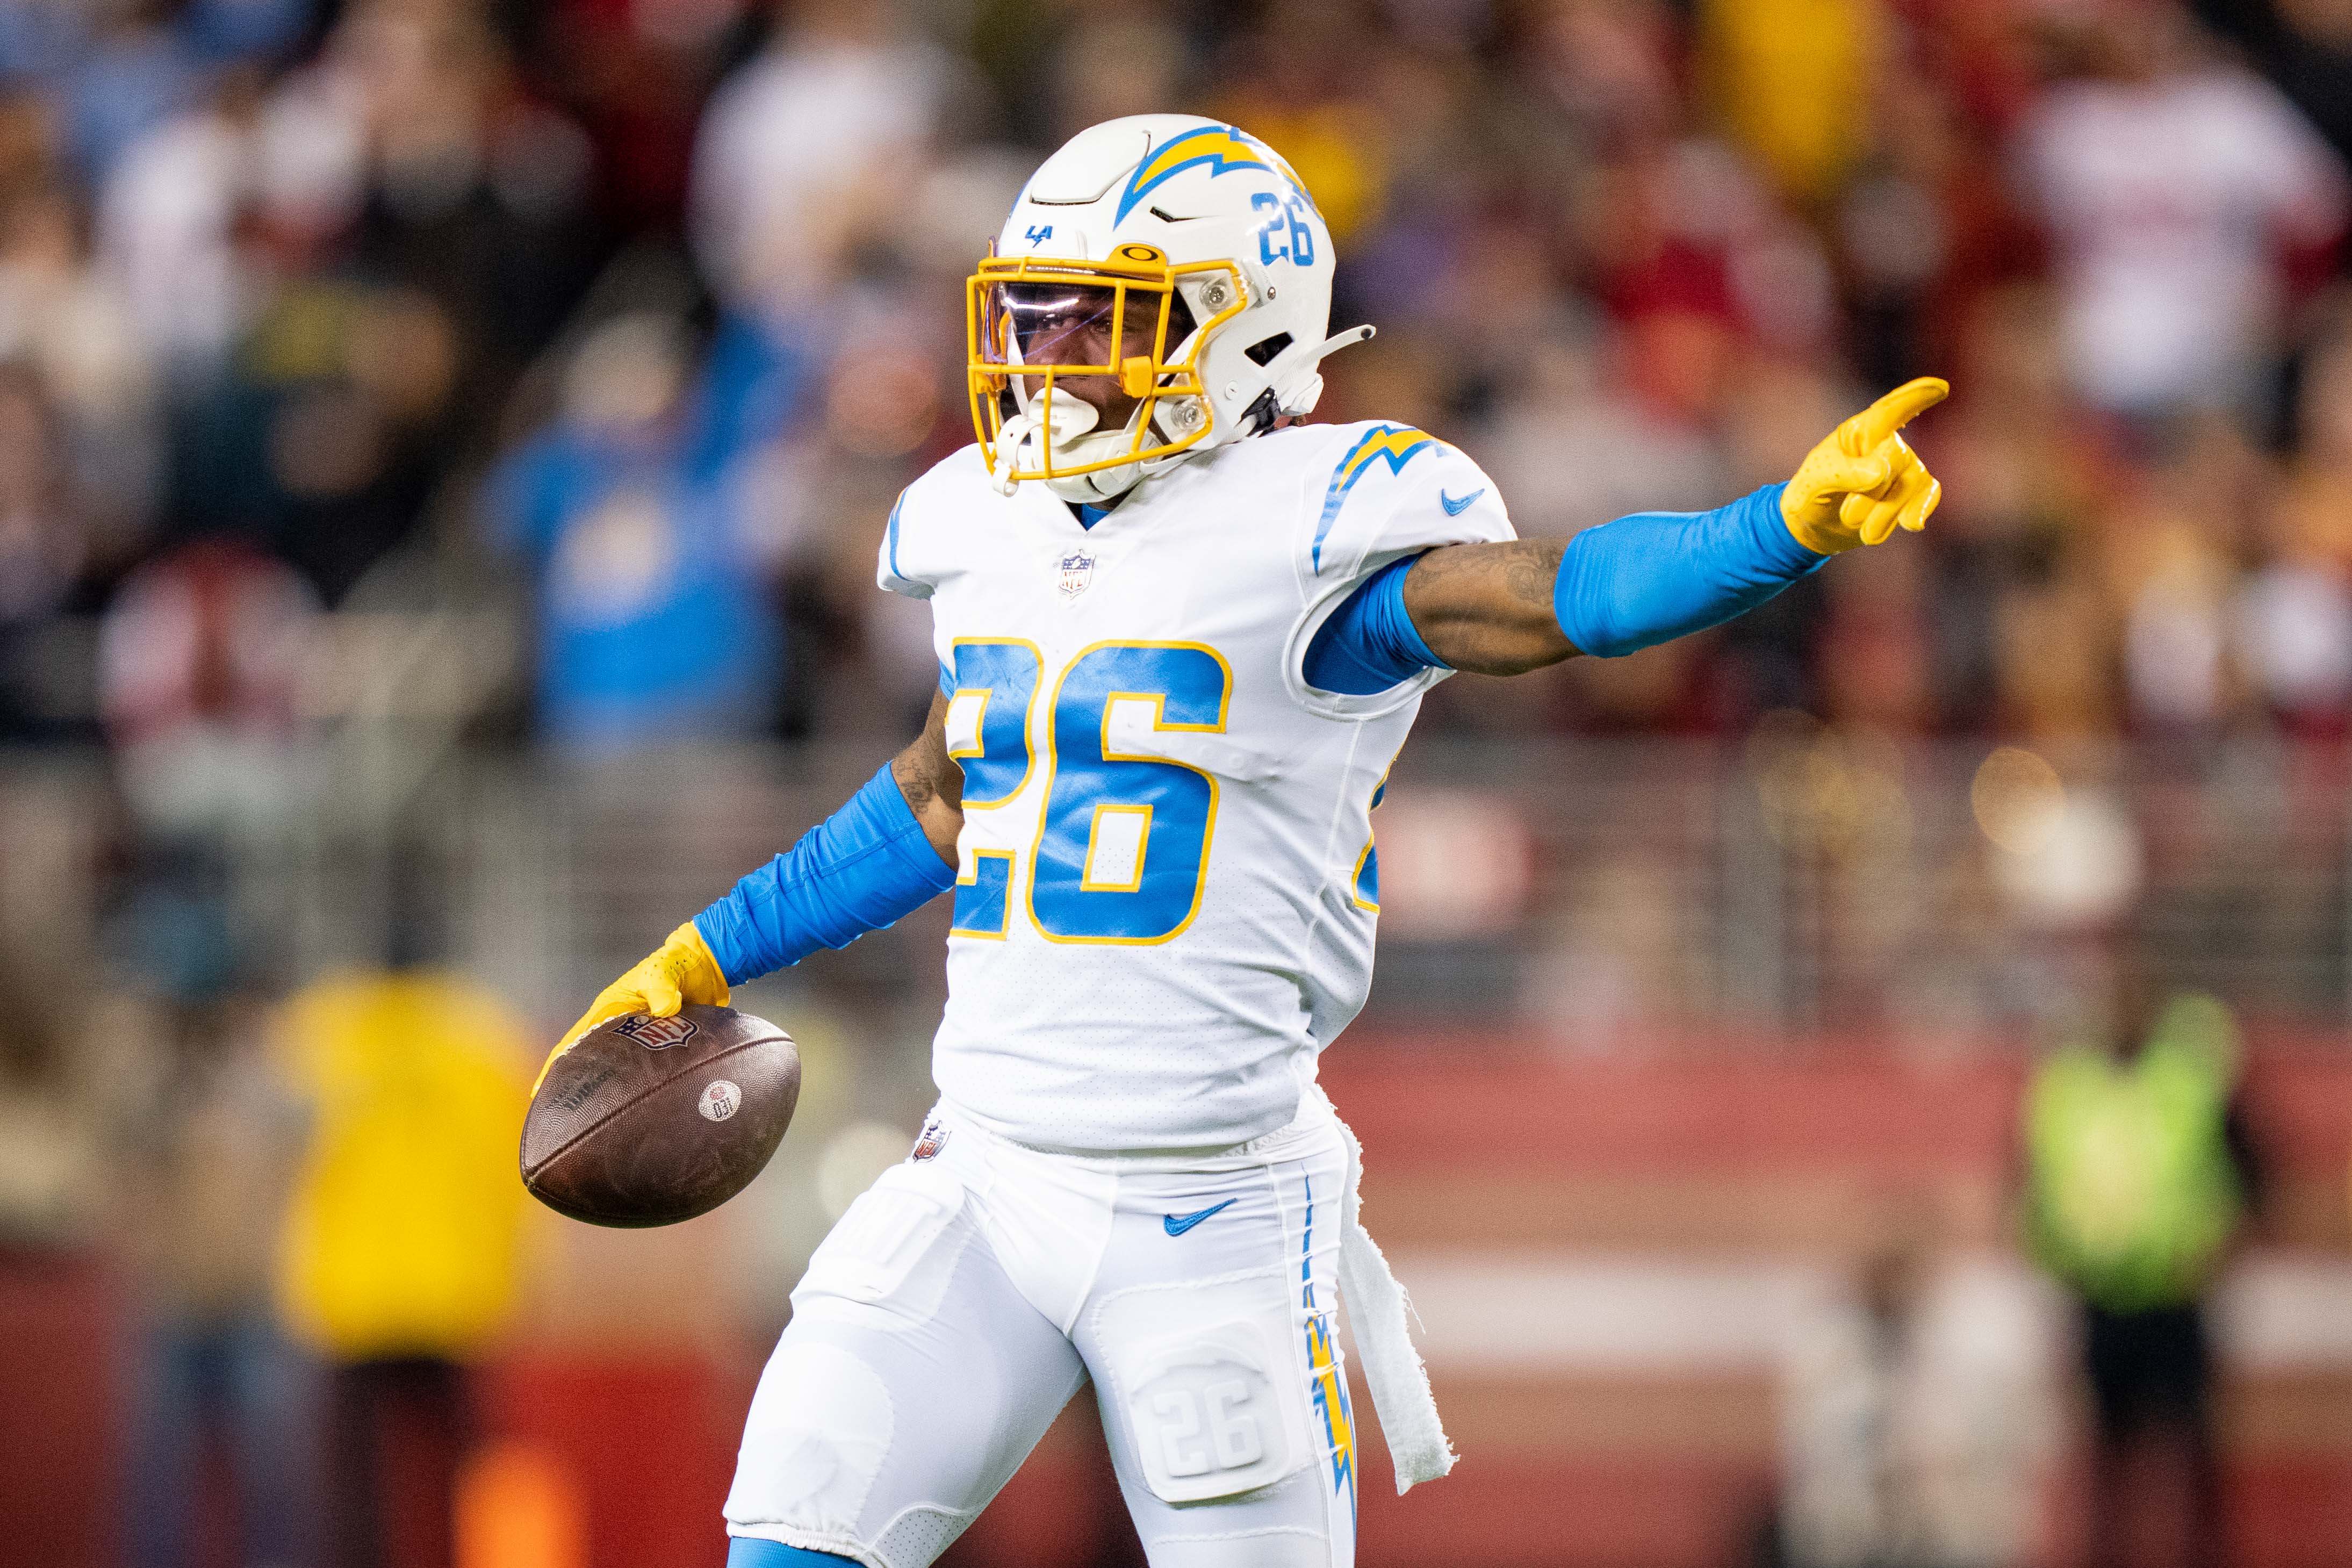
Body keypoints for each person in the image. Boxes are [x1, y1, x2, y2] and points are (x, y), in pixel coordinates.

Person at [542, 114, 1949, 1568]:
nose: (1044, 358)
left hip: (1207, 1200)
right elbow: (941, 795)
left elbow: (1561, 595)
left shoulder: (1318, 534)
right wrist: (710, 948)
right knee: (795, 1524)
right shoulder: (989, 525)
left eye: (1100, 320)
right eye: (1030, 316)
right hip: (984, 1165)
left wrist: (1774, 524)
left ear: (1245, 336)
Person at [2020, 972, 2259, 1568]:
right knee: (2104, 1460)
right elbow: (2031, 1179)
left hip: (2178, 1296)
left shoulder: (2191, 1079)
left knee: (2194, 1455)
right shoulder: (2065, 1085)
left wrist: (2223, 1247)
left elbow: (2250, 1168)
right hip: (2096, 1298)